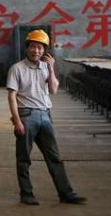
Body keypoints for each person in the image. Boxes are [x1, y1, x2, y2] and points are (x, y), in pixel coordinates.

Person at [6, 29, 86, 206]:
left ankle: (66, 193)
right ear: (27, 48)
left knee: (54, 157)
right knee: (24, 158)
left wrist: (51, 68)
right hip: (26, 115)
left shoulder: (45, 67)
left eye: (40, 48)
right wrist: (17, 120)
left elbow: (54, 90)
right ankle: (26, 194)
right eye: (33, 47)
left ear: (45, 50)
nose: (36, 51)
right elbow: (12, 96)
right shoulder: (17, 68)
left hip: (45, 115)